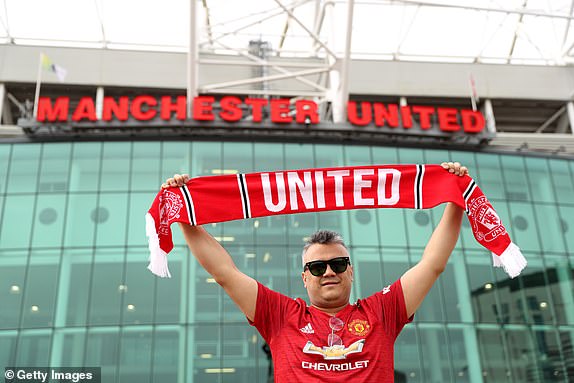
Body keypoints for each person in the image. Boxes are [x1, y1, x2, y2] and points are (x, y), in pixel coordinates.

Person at [161, 161, 468, 382]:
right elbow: (224, 272)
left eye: (338, 264)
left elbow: (433, 264)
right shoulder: (280, 315)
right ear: (305, 277)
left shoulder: (382, 312)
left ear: (351, 272)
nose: (329, 272)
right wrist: (186, 215)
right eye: (317, 267)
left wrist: (455, 200)